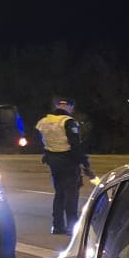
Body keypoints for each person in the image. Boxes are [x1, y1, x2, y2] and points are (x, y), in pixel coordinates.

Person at [38, 97, 94, 234]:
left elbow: (45, 141)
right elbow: (75, 145)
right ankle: (72, 226)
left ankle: (57, 226)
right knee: (71, 193)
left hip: (53, 161)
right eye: (71, 107)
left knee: (59, 193)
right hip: (68, 161)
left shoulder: (44, 122)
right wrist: (85, 164)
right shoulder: (68, 122)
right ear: (69, 107)